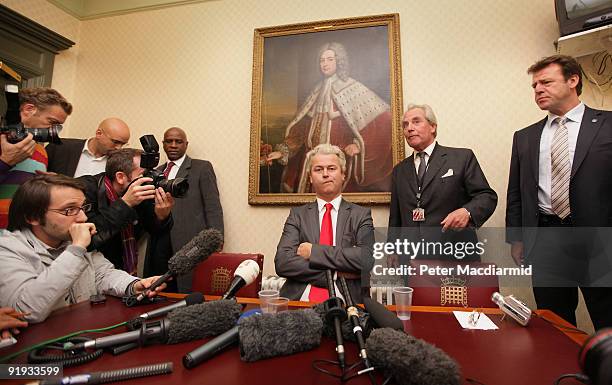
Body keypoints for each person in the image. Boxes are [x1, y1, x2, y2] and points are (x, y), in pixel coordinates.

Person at [506, 54, 612, 329]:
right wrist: (516, 239)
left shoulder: (607, 125)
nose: (538, 89)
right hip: (546, 240)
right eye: (534, 86)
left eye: (546, 82)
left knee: (607, 317)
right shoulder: (525, 137)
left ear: (573, 80)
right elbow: (517, 192)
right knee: (554, 321)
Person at [0, 175, 165, 323]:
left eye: (82, 208)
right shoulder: (8, 249)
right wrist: (77, 248)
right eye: (69, 210)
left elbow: (103, 275)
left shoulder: (67, 239)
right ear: (33, 217)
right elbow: (27, 311)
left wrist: (135, 285)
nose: (83, 218)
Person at [266, 42, 393, 193]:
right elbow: (302, 129)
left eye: (330, 59)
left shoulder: (353, 89)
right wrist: (283, 151)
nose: (324, 64)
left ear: (339, 61)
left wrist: (358, 145)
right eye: (322, 60)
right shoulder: (317, 90)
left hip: (339, 166)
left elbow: (385, 120)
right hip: (310, 168)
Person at [388, 104, 497, 260]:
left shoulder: (461, 158)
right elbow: (396, 216)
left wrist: (467, 212)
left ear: (433, 126)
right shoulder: (399, 170)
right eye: (405, 125)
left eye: (416, 121)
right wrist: (392, 249)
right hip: (412, 260)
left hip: (454, 254)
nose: (409, 128)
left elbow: (487, 196)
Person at [274, 143, 374, 303]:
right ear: (310, 178)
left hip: (348, 302)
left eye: (332, 168)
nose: (325, 174)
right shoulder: (297, 215)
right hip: (300, 299)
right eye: (318, 169)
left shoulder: (360, 215)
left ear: (343, 174)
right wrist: (336, 273)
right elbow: (283, 262)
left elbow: (366, 258)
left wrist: (314, 252)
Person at [145, 127, 223, 292]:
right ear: (163, 144)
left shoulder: (201, 168)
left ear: (186, 144)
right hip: (159, 242)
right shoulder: (155, 172)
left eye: (178, 141)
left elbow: (213, 207)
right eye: (169, 141)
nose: (173, 145)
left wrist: (216, 240)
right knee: (159, 289)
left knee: (188, 289)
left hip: (188, 242)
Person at [78, 148, 174, 275]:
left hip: (122, 273)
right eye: (144, 175)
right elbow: (87, 239)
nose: (149, 179)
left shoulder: (139, 191)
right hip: (88, 271)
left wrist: (161, 217)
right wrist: (125, 204)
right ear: (120, 177)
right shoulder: (84, 190)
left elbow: (153, 231)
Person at [0, 87, 72, 228]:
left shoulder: (40, 150)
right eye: (52, 122)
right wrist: (5, 161)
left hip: (20, 233)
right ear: (28, 109)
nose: (53, 131)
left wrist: (46, 183)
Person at [46, 117, 130, 177]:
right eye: (115, 142)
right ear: (99, 133)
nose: (119, 148)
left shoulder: (119, 164)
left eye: (123, 144)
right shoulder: (59, 147)